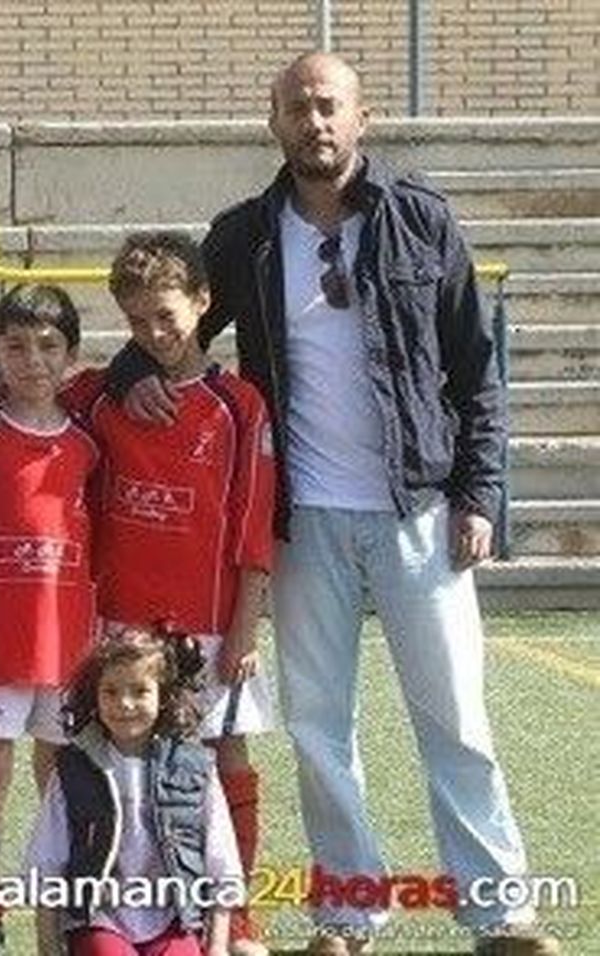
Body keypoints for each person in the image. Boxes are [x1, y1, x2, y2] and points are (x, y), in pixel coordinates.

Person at [107, 53, 557, 956]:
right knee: (319, 729)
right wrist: (127, 374)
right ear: (272, 122)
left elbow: (476, 370)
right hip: (304, 519)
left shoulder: (422, 220)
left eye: (329, 107)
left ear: (363, 119)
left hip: (419, 510)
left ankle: (500, 913)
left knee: (457, 719)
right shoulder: (245, 236)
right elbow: (178, 320)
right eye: (298, 108)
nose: (315, 123)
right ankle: (348, 914)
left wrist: (481, 493)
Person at [91, 232, 275, 956]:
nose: (154, 334)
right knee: (129, 766)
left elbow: (254, 528)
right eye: (137, 322)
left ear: (202, 303)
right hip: (124, 626)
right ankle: (135, 913)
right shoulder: (110, 397)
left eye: (166, 316)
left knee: (221, 758)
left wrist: (245, 631)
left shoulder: (239, 405)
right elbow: (34, 389)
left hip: (210, 624)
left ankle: (239, 919)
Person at [0, 284, 100, 953]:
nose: (32, 360)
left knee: (61, 775)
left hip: (68, 638)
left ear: (70, 356)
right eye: (15, 346)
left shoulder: (88, 444)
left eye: (47, 346)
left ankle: (66, 902)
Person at [26, 628, 243, 956]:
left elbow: (221, 857)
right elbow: (48, 857)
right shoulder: (74, 769)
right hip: (101, 917)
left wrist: (217, 946)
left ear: (164, 695)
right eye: (110, 692)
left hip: (173, 916)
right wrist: (47, 943)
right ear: (94, 696)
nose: (124, 704)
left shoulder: (195, 768)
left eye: (140, 691)